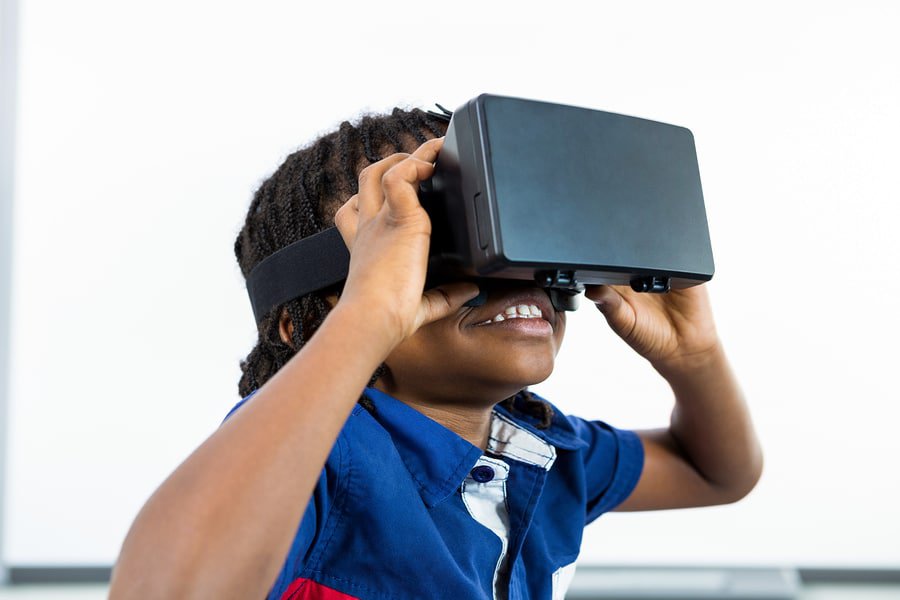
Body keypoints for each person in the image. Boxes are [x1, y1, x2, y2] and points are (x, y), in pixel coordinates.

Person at [109, 108, 763, 599]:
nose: (514, 273)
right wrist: (370, 315)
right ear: (307, 319)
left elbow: (717, 473)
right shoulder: (322, 459)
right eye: (444, 239)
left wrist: (694, 356)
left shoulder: (546, 452)